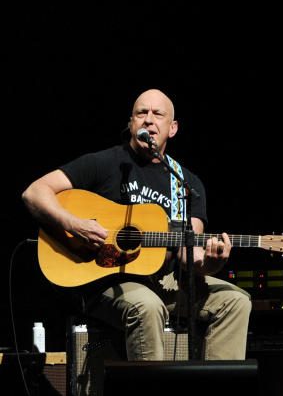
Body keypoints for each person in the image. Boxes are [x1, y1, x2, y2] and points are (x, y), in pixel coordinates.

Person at [22, 89, 251, 361]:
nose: (149, 120)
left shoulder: (184, 184)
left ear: (172, 128)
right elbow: (34, 193)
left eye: (158, 114)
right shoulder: (102, 163)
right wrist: (75, 224)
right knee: (147, 306)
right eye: (142, 113)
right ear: (131, 123)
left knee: (236, 301)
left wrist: (209, 265)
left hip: (163, 280)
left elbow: (188, 255)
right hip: (104, 279)